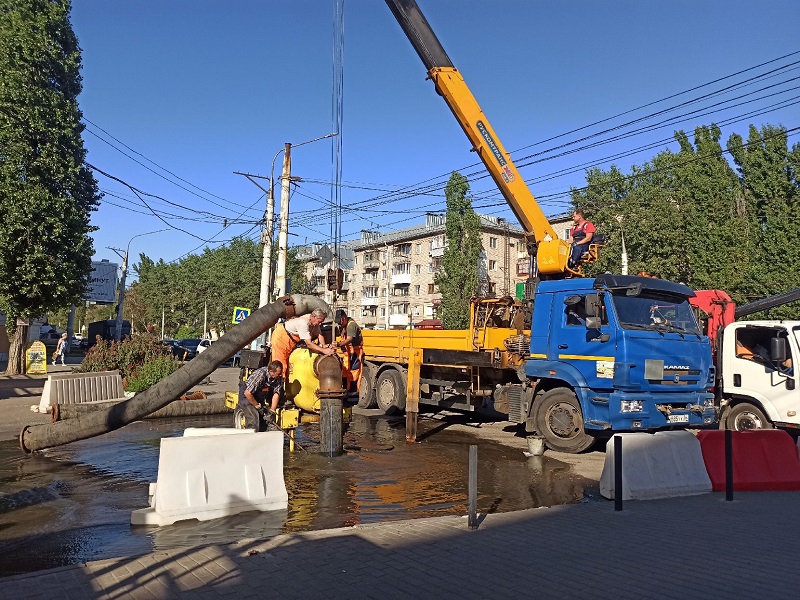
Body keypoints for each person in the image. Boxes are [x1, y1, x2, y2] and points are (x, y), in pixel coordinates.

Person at [269, 308, 335, 374]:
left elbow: (319, 334)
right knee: (280, 366)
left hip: (292, 341)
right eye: (319, 321)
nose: (320, 324)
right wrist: (324, 351)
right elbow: (308, 344)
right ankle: (277, 382)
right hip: (281, 338)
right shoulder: (303, 323)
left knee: (290, 365)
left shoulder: (314, 321)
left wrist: (324, 346)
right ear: (314, 316)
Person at [238, 360, 285, 431]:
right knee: (253, 417)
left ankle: (263, 437)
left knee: (263, 419)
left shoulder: (278, 378)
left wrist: (272, 411)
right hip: (247, 394)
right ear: (271, 372)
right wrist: (257, 406)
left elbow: (276, 394)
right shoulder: (260, 375)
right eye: (278, 374)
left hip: (259, 394)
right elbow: (247, 393)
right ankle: (251, 437)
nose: (280, 375)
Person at [335, 309, 364, 396]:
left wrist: (338, 344)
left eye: (340, 322)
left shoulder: (351, 325)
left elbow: (349, 339)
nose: (339, 324)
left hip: (355, 355)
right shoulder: (343, 326)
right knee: (345, 374)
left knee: (353, 375)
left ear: (344, 318)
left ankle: (353, 395)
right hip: (347, 355)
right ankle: (345, 393)